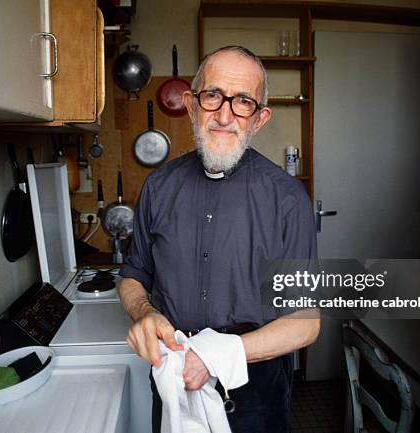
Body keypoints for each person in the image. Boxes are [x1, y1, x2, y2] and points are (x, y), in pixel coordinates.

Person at [118, 45, 320, 433]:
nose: (225, 115)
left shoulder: (287, 199)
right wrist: (144, 313)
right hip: (171, 373)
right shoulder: (158, 187)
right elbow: (133, 274)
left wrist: (218, 355)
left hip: (253, 387)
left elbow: (305, 323)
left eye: (243, 101)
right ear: (192, 105)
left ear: (259, 119)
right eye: (213, 96)